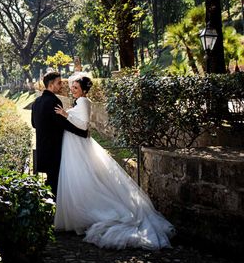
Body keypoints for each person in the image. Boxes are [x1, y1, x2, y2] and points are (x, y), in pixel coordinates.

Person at [54, 73, 175, 250]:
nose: (72, 90)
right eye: (72, 87)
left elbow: (84, 125)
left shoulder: (84, 102)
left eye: (76, 88)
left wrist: (66, 115)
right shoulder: (79, 102)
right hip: (74, 146)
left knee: (87, 178)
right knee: (78, 179)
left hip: (78, 146)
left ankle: (100, 213)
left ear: (84, 90)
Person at [31, 71, 89, 196]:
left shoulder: (36, 102)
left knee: (51, 182)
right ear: (51, 85)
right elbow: (63, 124)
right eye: (59, 83)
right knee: (56, 185)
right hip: (55, 150)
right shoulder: (54, 101)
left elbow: (34, 124)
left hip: (42, 149)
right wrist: (82, 133)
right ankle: (55, 211)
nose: (61, 86)